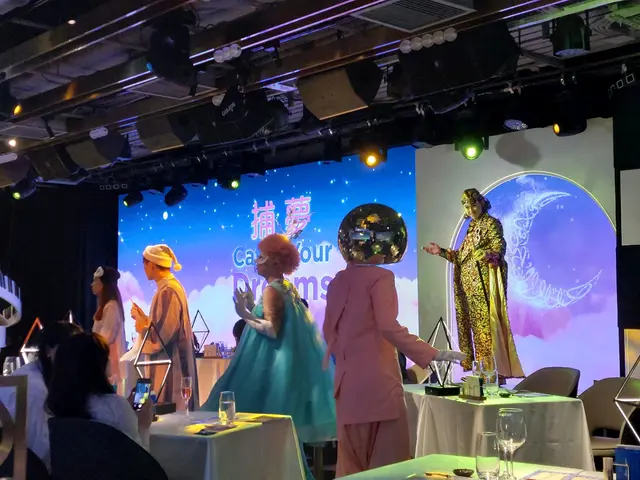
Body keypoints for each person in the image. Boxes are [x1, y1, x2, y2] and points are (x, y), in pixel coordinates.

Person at [324, 203, 465, 476]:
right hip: (379, 387)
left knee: (351, 466)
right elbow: (388, 326)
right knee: (389, 466)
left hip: (347, 389)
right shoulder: (381, 277)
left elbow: (330, 334)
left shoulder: (337, 281)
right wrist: (433, 353)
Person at [202, 234, 336, 479]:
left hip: (267, 364)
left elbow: (272, 330)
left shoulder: (273, 290)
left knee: (256, 422)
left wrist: (244, 314)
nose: (257, 261)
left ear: (275, 261)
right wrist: (253, 305)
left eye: (261, 257)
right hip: (279, 361)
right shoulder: (286, 287)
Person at [423, 188, 524, 379]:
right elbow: (461, 257)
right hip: (468, 287)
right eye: (467, 207)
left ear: (481, 203)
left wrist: (487, 254)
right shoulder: (472, 226)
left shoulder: (491, 223)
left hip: (483, 286)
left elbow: (499, 247)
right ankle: (481, 371)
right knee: (474, 329)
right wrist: (441, 251)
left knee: (486, 329)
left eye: (474, 205)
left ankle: (491, 373)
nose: (471, 210)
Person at [46, 332, 153, 448]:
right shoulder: (116, 408)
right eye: (106, 356)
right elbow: (137, 457)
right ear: (97, 364)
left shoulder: (56, 407)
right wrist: (142, 426)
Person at [0, 321, 82, 468]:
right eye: (70, 351)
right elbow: (41, 451)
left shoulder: (30, 375)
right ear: (49, 350)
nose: (75, 359)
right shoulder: (35, 390)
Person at [130, 244, 199, 410]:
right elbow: (163, 325)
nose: (144, 269)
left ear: (153, 265)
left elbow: (161, 337)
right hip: (169, 364)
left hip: (171, 369)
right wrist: (145, 319)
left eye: (145, 264)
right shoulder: (168, 288)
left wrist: (141, 326)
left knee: (170, 415)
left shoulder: (168, 291)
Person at [91, 266, 126, 389]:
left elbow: (105, 338)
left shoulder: (111, 307)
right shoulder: (105, 307)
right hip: (105, 364)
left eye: (95, 281)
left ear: (103, 284)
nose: (92, 284)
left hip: (111, 367)